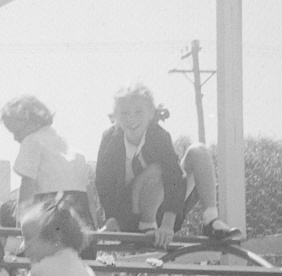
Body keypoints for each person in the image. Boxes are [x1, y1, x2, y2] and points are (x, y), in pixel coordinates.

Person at [94, 82, 241, 250]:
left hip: (163, 212)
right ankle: (146, 226)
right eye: (124, 113)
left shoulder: (159, 136)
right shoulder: (110, 139)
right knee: (155, 170)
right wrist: (112, 218)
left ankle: (211, 220)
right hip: (130, 215)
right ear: (116, 116)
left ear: (150, 114)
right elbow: (103, 182)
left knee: (198, 151)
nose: (131, 119)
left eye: (138, 112)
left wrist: (168, 225)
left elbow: (175, 178)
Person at [0, 94, 93, 228]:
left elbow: (27, 185)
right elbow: (88, 191)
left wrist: (20, 224)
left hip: (50, 208)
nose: (15, 138)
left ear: (35, 122)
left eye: (17, 131)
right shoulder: (68, 147)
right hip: (79, 211)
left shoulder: (32, 141)